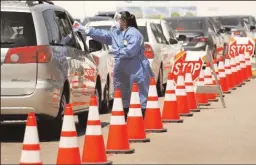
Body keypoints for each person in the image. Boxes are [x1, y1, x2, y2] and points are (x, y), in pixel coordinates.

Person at [75, 11, 154, 119]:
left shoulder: (134, 33)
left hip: (136, 68)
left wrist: (116, 51)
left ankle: (142, 119)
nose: (117, 21)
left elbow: (131, 50)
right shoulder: (117, 33)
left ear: (125, 21)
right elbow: (104, 35)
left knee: (139, 93)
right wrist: (86, 30)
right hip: (121, 68)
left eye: (119, 19)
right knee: (122, 93)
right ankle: (124, 118)